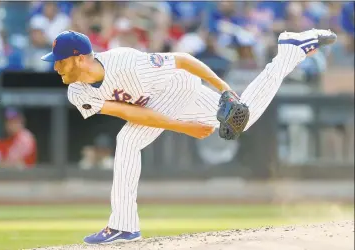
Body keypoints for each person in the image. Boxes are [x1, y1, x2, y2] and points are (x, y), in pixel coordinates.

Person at [41, 28, 336, 244]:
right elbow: (135, 115)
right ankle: (289, 51)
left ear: (79, 58)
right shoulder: (77, 91)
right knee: (243, 120)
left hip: (179, 86)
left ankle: (123, 226)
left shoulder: (126, 63)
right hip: (156, 103)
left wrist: (224, 89)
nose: (54, 66)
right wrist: (184, 126)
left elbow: (182, 60)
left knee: (128, 141)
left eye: (59, 60)